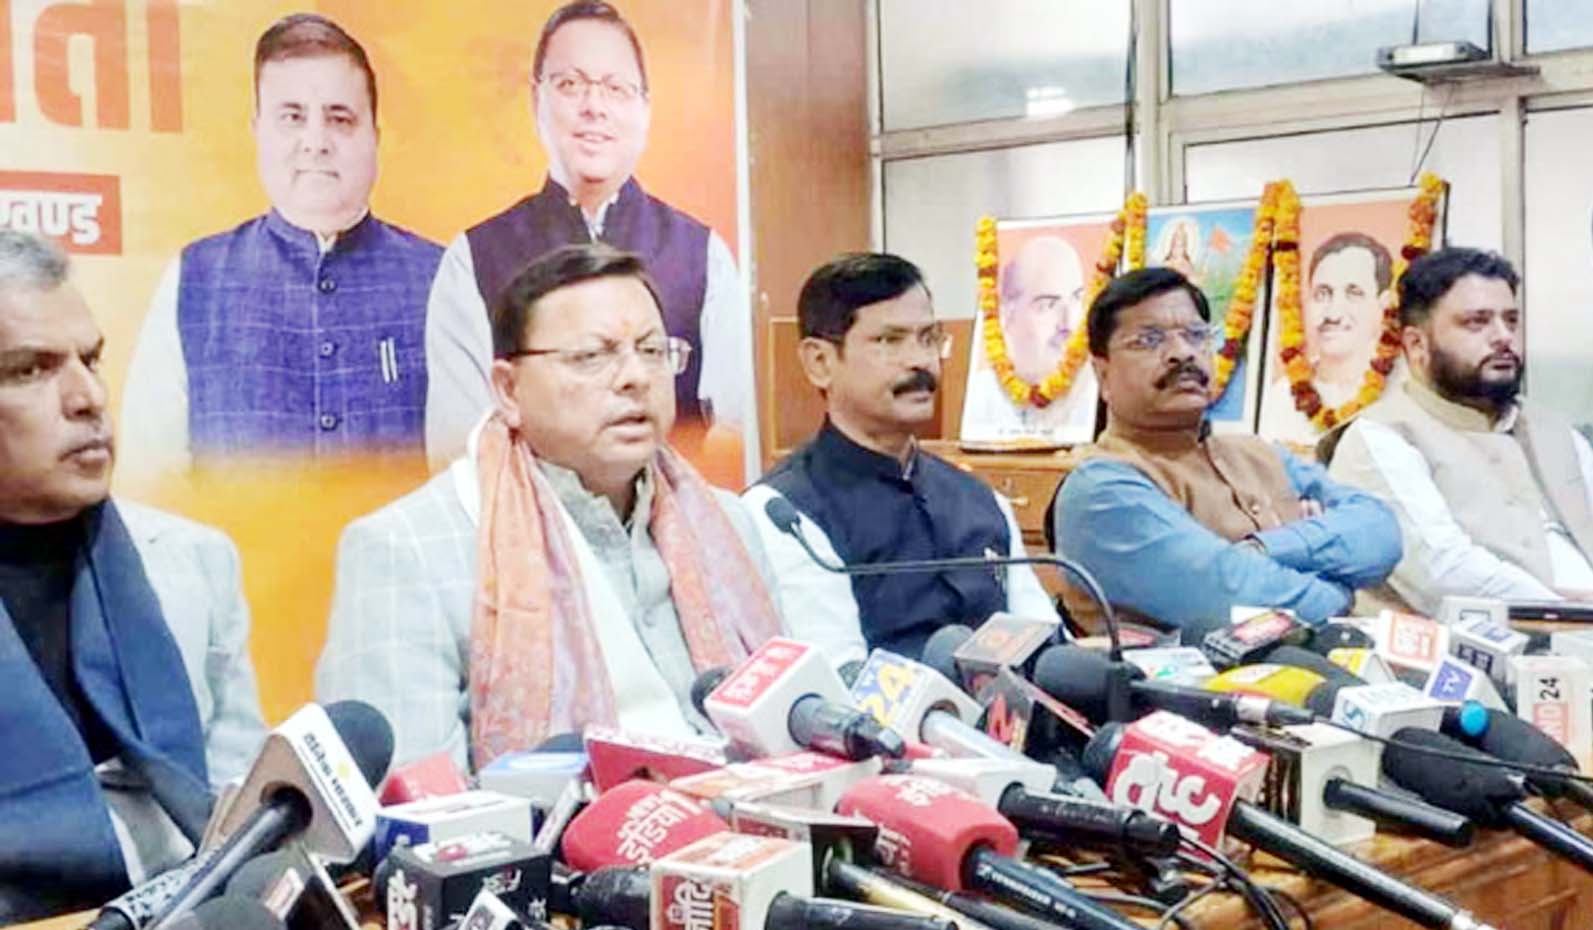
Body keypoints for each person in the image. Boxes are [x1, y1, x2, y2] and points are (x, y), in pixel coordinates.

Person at [317, 244, 785, 771]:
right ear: (508, 390)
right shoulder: (408, 549)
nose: (635, 377)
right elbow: (413, 796)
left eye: (653, 350)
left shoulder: (727, 525)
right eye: (592, 356)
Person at [0, 232, 266, 921]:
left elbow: (244, 816)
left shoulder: (194, 561)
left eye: (91, 360)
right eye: (29, 370)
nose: (88, 397)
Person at [424, 0, 749, 470]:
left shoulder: (702, 254)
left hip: (666, 511)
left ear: (645, 108)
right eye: (570, 85)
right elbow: (459, 453)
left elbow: (734, 433)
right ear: (536, 99)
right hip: (526, 513)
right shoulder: (473, 258)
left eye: (616, 88)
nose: (594, 107)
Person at [119, 13, 443, 483]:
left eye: (340, 119)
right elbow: (149, 484)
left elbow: (477, 474)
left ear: (375, 136)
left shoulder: (442, 279)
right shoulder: (194, 279)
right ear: (258, 132)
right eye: (292, 118)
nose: (315, 143)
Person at [1050, 266, 1400, 633]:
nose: (1182, 353)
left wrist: (1263, 550)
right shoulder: (1101, 488)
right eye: (1149, 340)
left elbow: (1380, 531)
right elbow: (1238, 599)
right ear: (1103, 374)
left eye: (1196, 335)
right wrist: (1342, 589)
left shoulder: (1258, 453)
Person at [747, 253, 1060, 661]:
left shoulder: (980, 500)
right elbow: (838, 679)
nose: (920, 360)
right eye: (889, 341)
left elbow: (1045, 643)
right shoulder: (785, 515)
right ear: (820, 362)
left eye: (928, 338)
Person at [1327, 247, 1593, 615]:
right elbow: (1444, 573)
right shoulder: (1381, 438)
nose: (1503, 337)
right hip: (1489, 641)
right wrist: (1569, 611)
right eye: (1476, 322)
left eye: (1511, 321)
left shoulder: (1553, 430)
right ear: (1417, 345)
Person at [1260, 233, 1396, 441]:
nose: (1333, 313)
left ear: (1384, 304)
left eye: (1353, 293)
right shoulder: (1283, 397)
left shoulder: (1401, 395)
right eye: (1322, 294)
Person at [961, 235, 1098, 441]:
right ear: (1006, 313)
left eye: (1077, 298)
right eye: (1047, 305)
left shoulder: (1095, 391)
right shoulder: (982, 396)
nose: (1068, 323)